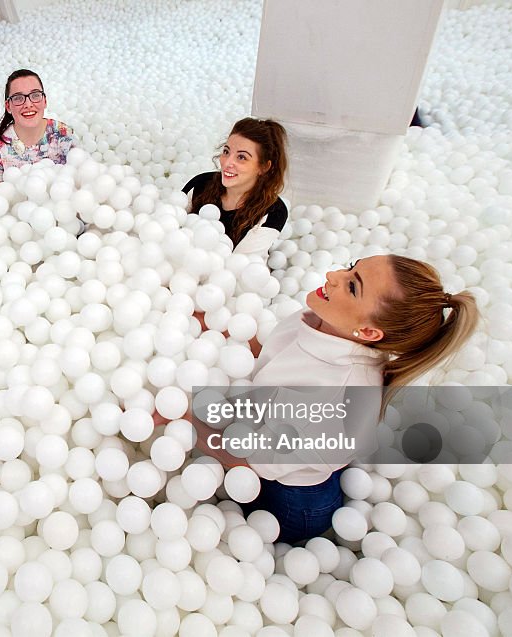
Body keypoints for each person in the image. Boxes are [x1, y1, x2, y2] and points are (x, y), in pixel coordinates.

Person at [182, 255, 479, 543]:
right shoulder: (326, 321)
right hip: (296, 446)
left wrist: (184, 419)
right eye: (351, 268)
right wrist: (221, 330)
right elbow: (279, 352)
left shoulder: (329, 395)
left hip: (291, 504)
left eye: (352, 286)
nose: (333, 276)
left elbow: (245, 461)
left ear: (367, 331)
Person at [182, 118, 289, 257]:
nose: (227, 163)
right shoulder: (201, 184)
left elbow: (240, 267)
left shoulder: (273, 211)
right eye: (226, 152)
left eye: (242, 157)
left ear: (264, 167)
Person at [0, 69, 75, 189]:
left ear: (45, 101)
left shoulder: (64, 135)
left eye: (35, 95)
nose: (28, 104)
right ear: (8, 106)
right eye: (18, 98)